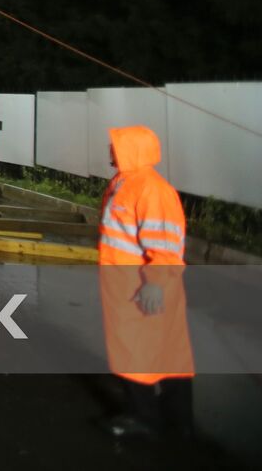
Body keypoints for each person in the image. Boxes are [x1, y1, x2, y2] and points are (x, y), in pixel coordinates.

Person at [98, 125, 194, 439]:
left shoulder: (151, 189)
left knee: (139, 352)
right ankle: (177, 419)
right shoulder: (123, 183)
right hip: (129, 286)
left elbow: (165, 242)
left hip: (143, 288)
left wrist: (156, 282)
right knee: (163, 350)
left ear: (132, 149)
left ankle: (144, 418)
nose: (111, 149)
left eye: (116, 145)